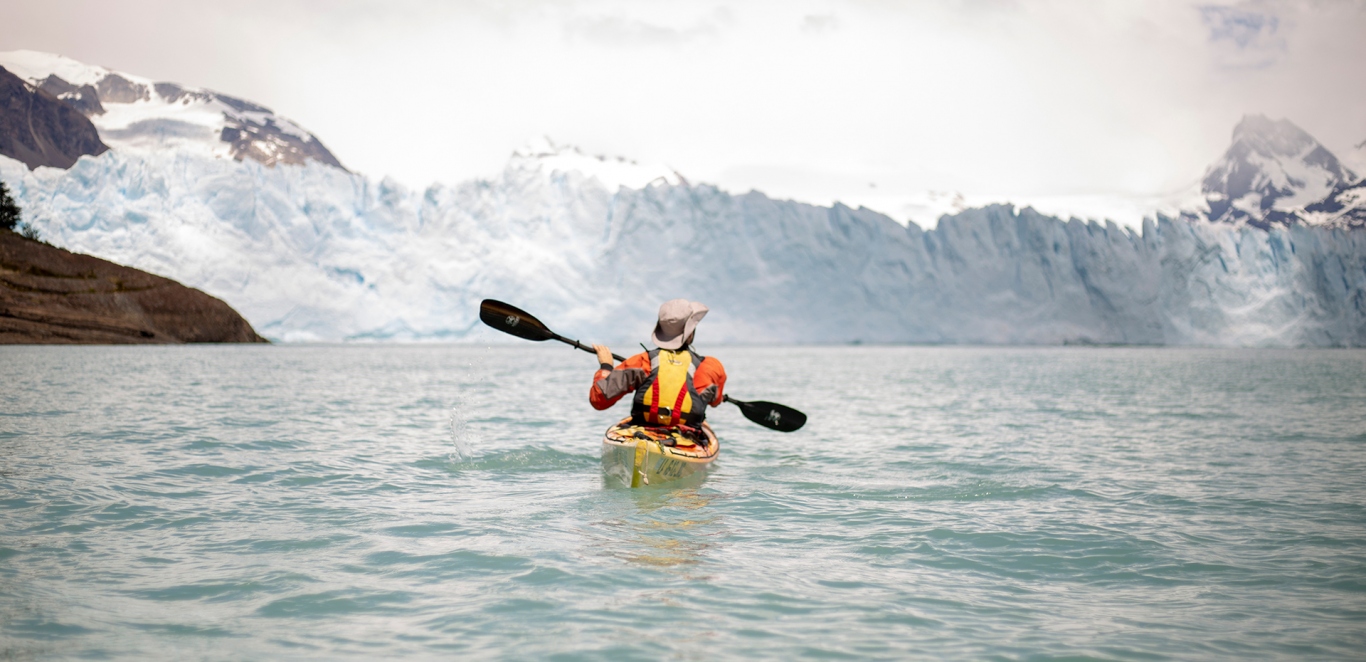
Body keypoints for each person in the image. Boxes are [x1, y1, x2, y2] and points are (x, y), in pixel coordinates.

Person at [590, 299, 727, 433]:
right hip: (687, 436)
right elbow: (715, 401)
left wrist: (606, 366)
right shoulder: (710, 367)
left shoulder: (642, 361)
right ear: (690, 334)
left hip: (642, 432)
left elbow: (599, 400)